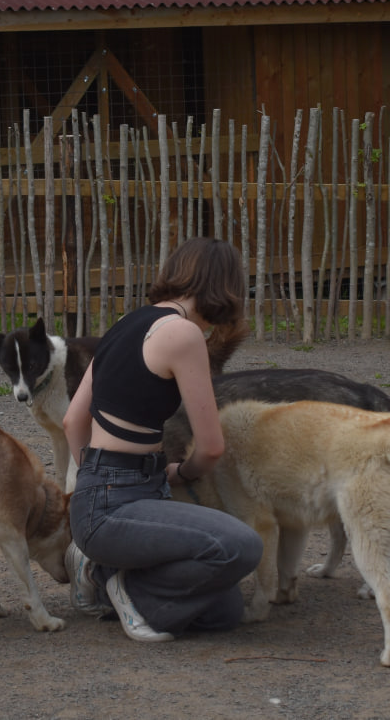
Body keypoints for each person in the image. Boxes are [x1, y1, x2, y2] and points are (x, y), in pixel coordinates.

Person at [63, 237, 262, 642]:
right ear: (225, 287)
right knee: (241, 546)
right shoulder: (184, 335)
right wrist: (183, 474)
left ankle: (107, 576)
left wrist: (97, 475)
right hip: (119, 507)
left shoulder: (126, 325)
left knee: (224, 610)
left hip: (99, 500)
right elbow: (211, 447)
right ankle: (120, 585)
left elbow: (72, 420)